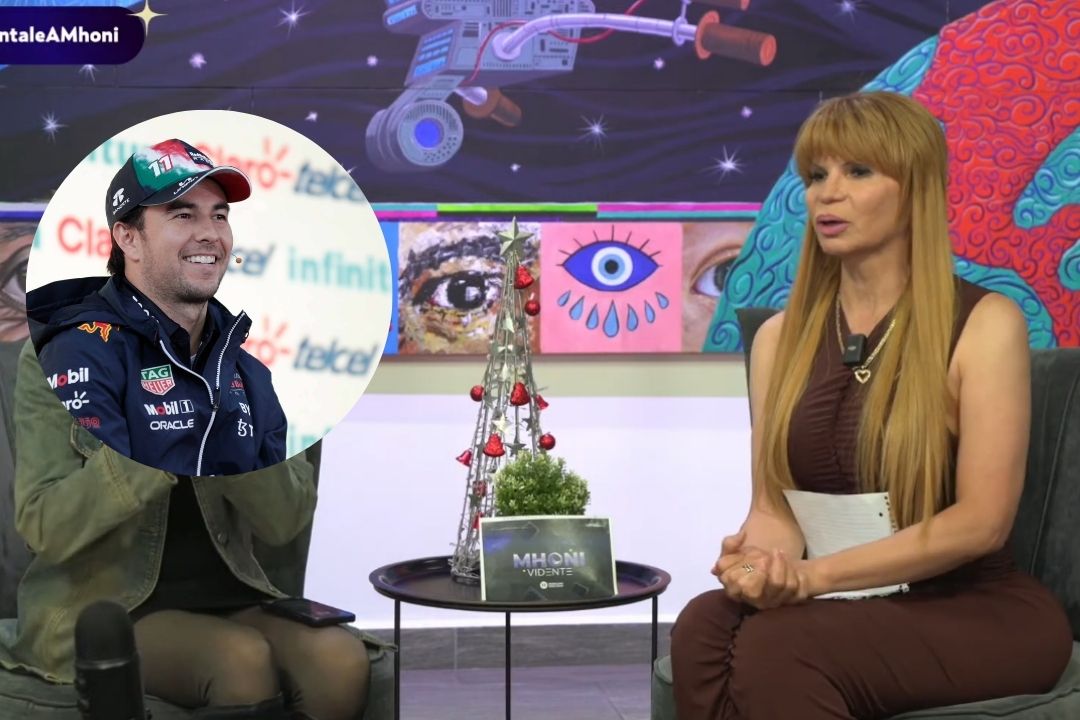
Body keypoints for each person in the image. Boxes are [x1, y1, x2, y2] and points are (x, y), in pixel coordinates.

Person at [669, 91, 1073, 719]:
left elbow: (982, 523)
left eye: (857, 172)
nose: (827, 194)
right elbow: (774, 508)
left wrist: (815, 579)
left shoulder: (985, 323)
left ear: (914, 190)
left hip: (975, 608)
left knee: (781, 647)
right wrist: (760, 565)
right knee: (701, 627)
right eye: (816, 175)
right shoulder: (777, 339)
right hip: (844, 601)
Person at [0, 338, 372, 719]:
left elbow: (285, 520)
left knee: (339, 663)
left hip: (230, 594)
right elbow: (43, 526)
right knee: (239, 661)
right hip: (108, 609)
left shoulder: (252, 353)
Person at [26, 139, 285, 477]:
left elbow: (278, 508)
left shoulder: (253, 377)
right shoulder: (80, 353)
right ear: (128, 238)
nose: (210, 233)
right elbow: (102, 501)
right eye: (183, 215)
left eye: (219, 216)